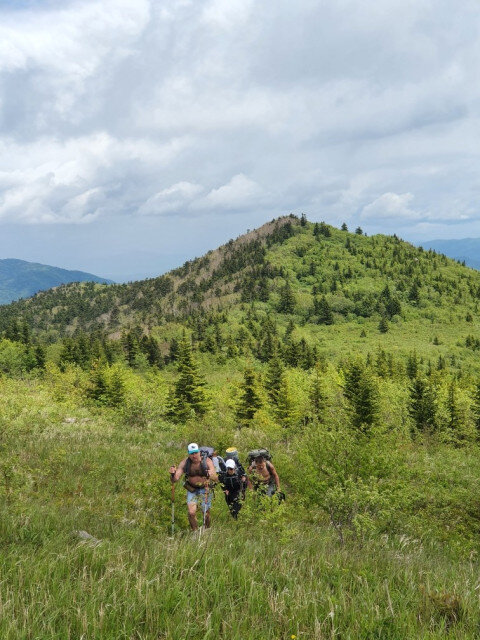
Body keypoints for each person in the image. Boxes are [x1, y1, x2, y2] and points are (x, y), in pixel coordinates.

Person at [169, 443, 218, 531]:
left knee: (206, 513)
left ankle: (207, 530)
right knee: (191, 513)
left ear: (199, 452)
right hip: (192, 490)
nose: (194, 455)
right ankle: (195, 532)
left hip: (205, 488)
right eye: (192, 453)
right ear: (188, 453)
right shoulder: (185, 463)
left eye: (195, 452)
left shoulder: (207, 461)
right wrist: (172, 474)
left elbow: (216, 478)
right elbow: (175, 479)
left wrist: (210, 474)